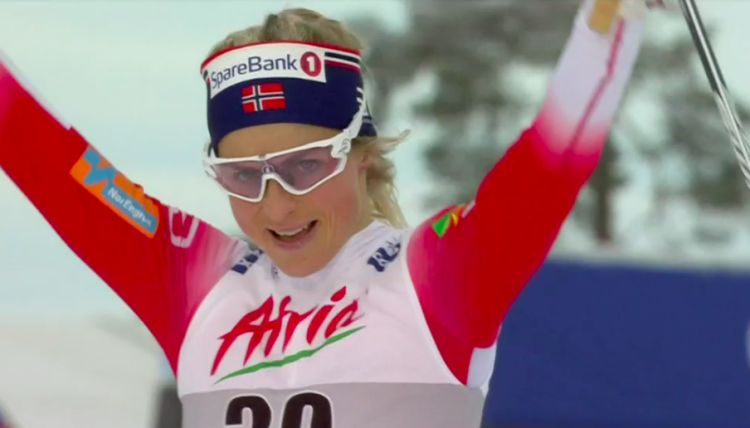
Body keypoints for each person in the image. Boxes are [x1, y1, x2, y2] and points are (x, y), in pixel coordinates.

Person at [0, 0, 650, 426]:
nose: (276, 204)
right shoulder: (195, 287)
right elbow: (47, 160)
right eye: (242, 177)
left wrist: (608, 26)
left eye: (304, 166)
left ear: (360, 154)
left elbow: (544, 172)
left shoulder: (431, 279)